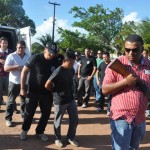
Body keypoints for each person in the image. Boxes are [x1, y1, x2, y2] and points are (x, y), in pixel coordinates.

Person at [102, 34, 150, 149]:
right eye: (127, 50)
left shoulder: (148, 65)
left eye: (135, 50)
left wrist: (140, 83)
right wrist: (125, 82)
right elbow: (105, 89)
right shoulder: (116, 64)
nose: (130, 53)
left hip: (140, 117)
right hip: (121, 117)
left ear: (142, 49)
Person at [19, 43, 58, 141]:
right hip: (33, 92)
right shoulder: (36, 58)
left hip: (47, 93)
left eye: (53, 53)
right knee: (29, 113)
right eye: (50, 52)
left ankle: (40, 131)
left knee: (46, 113)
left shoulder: (55, 60)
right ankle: (24, 130)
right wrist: (22, 88)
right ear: (45, 49)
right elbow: (24, 72)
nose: (51, 55)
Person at [45, 51, 79, 148]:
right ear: (64, 61)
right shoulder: (58, 71)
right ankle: (57, 138)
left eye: (74, 63)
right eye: (71, 63)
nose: (72, 65)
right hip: (60, 101)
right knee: (58, 121)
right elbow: (47, 84)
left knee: (75, 120)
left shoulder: (71, 70)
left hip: (71, 99)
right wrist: (55, 93)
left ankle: (71, 137)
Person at [4, 40, 29, 127]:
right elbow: (6, 68)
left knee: (24, 101)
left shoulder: (28, 56)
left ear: (25, 48)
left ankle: (23, 115)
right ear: (16, 47)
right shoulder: (11, 56)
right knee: (10, 101)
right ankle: (8, 119)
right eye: (18, 47)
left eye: (22, 47)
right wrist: (17, 67)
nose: (20, 49)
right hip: (14, 82)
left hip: (25, 83)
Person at [0, 37, 13, 106]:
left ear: (7, 44)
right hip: (0, 75)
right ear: (0, 44)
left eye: (6, 43)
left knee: (10, 91)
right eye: (3, 43)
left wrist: (5, 62)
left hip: (9, 75)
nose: (4, 44)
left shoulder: (11, 52)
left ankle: (13, 107)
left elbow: (14, 62)